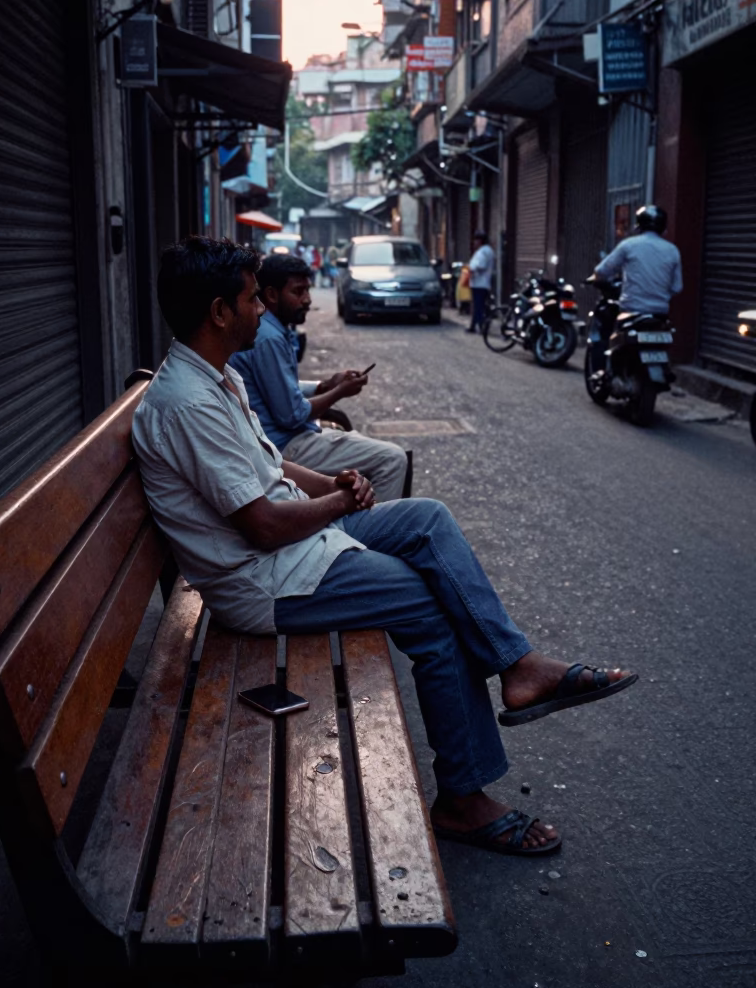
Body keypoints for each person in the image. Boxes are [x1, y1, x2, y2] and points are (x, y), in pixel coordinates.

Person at [132, 236, 637, 855]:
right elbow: (261, 526)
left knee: (426, 518)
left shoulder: (216, 375)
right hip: (264, 579)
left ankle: (518, 665)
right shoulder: (188, 404)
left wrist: (333, 485)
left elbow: (274, 466)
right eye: (250, 299)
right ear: (218, 312)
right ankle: (462, 800)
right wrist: (340, 505)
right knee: (427, 603)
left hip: (293, 545)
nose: (260, 309)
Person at [231, 252, 409, 501]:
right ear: (271, 294)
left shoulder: (271, 330)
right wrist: (339, 392)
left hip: (283, 439)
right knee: (393, 458)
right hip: (284, 445)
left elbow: (279, 386)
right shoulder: (269, 337)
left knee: (363, 445)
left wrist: (324, 385)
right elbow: (291, 415)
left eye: (308, 290)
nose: (307, 299)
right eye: (298, 292)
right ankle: (379, 525)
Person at [592, 205, 682, 316]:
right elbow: (677, 287)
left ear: (639, 225)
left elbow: (602, 271)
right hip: (660, 313)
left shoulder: (628, 245)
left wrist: (596, 277)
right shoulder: (673, 250)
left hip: (631, 310)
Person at [465, 232, 495, 334]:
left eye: (475, 240)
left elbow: (480, 265)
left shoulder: (483, 252)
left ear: (480, 241)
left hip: (479, 283)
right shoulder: (487, 251)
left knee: (478, 306)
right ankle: (473, 325)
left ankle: (481, 326)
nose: (474, 242)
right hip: (482, 283)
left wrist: (471, 269)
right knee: (478, 305)